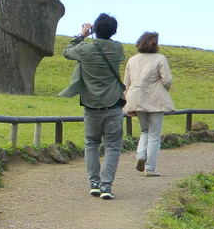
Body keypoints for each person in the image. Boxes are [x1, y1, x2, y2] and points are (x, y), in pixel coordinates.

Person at [60, 13, 124, 199]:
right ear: (114, 31)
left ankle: (94, 183)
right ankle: (106, 186)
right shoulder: (117, 49)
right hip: (113, 105)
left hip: (91, 105)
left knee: (91, 144)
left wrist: (82, 34)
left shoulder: (85, 49)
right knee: (112, 146)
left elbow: (67, 52)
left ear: (94, 29)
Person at [123, 31, 174, 176]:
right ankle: (150, 168)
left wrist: (126, 101)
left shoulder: (132, 60)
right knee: (154, 134)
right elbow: (167, 80)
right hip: (155, 99)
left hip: (136, 97)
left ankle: (140, 155)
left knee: (144, 131)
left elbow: (126, 83)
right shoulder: (160, 58)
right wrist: (163, 88)